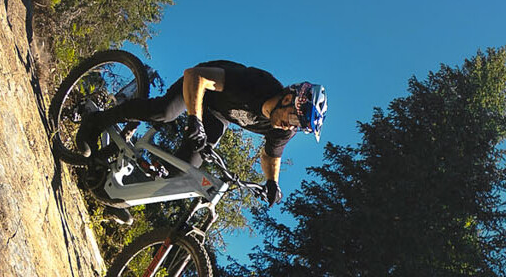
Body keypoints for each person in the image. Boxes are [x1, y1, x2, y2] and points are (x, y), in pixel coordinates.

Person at [81, 60, 325, 206]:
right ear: (287, 98)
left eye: (298, 126)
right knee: (164, 112)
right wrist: (194, 119)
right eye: (294, 117)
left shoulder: (282, 130)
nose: (290, 126)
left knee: (182, 171)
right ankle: (96, 120)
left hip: (218, 116)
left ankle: (118, 190)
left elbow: (272, 156)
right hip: (200, 86)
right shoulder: (255, 83)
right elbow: (195, 76)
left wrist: (272, 183)